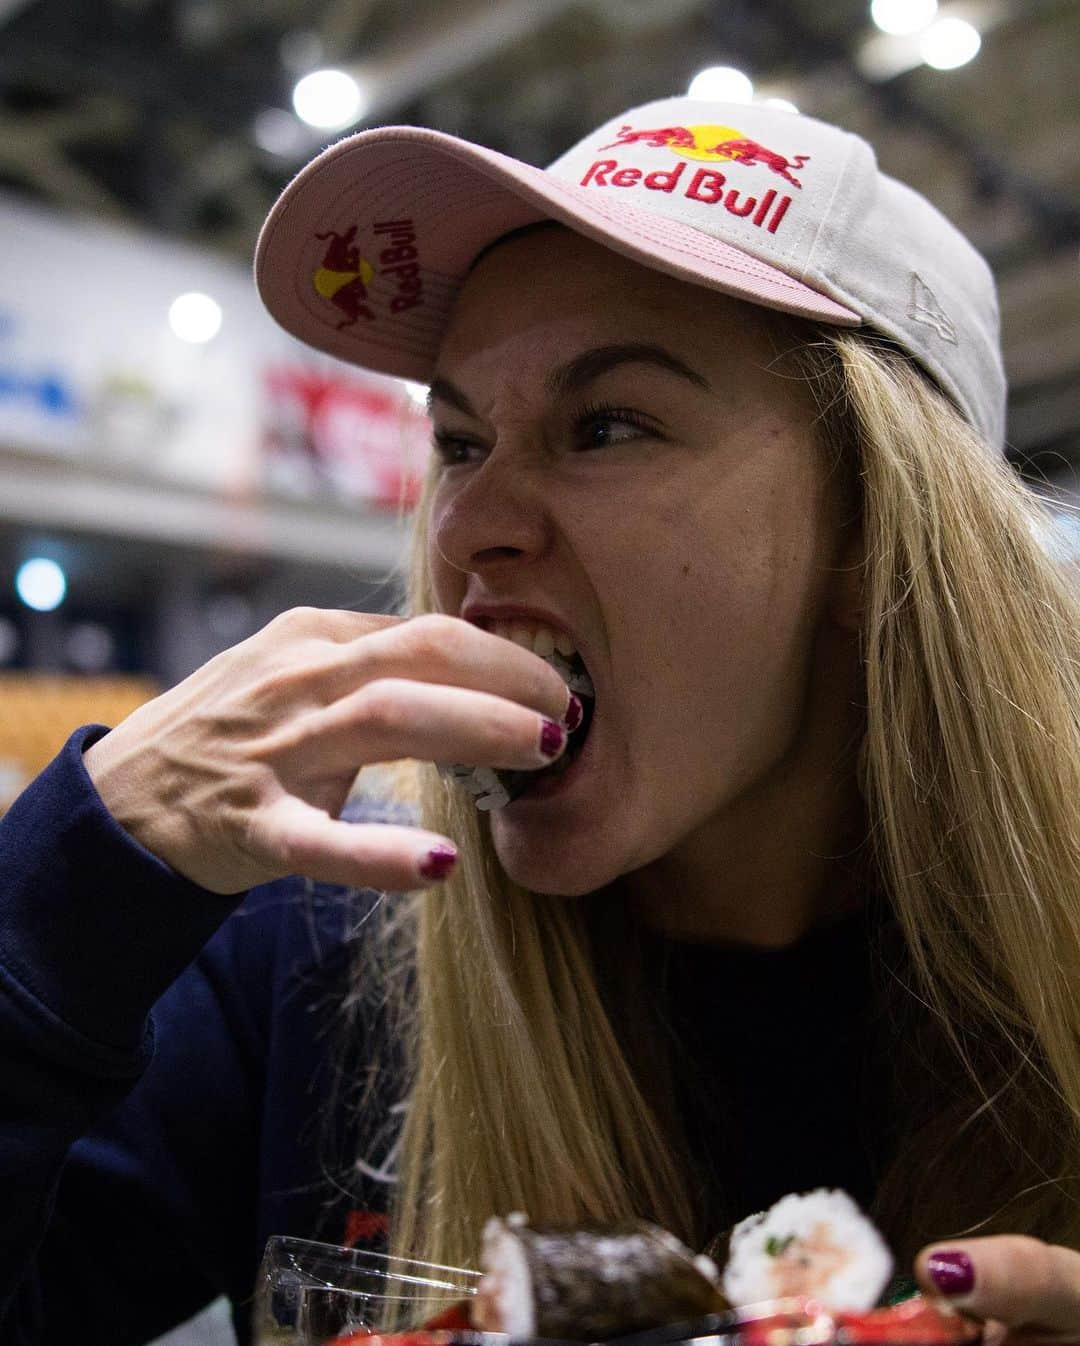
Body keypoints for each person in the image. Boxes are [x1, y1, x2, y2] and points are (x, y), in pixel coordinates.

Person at [1, 94, 1078, 1346]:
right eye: (459, 441)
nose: (463, 528)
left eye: (608, 423)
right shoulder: (314, 969)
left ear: (874, 534)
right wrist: (75, 884)